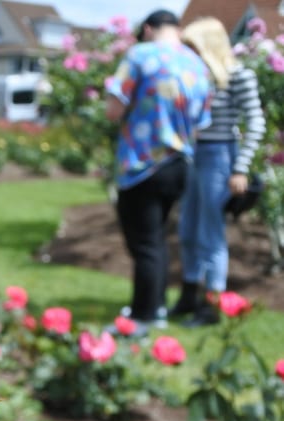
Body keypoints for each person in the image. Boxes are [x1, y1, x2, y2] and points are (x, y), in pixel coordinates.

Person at [104, 9, 212, 335]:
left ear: (148, 29)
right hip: (180, 164)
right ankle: (155, 306)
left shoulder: (140, 54)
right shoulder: (197, 64)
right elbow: (202, 121)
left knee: (144, 244)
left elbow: (113, 109)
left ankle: (143, 317)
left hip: (143, 165)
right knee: (158, 240)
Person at [172, 17, 266, 326]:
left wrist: (240, 168)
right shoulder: (199, 78)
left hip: (220, 157)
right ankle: (188, 295)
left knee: (210, 234)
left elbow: (256, 122)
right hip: (195, 156)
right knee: (187, 230)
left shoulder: (239, 75)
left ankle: (211, 305)